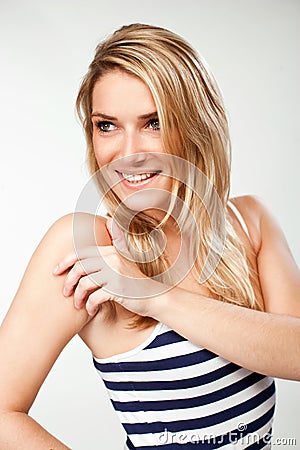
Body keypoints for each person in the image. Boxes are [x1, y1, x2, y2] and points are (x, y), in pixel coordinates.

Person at [0, 23, 299, 450]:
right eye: (107, 126)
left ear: (196, 125)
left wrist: (156, 298)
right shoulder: (87, 247)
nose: (128, 151)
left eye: (153, 122)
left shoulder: (249, 222)